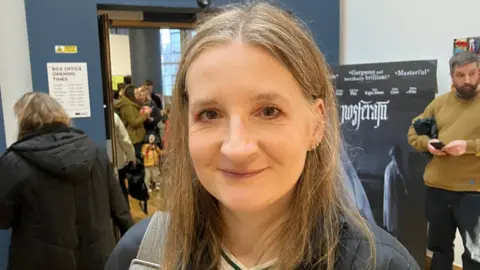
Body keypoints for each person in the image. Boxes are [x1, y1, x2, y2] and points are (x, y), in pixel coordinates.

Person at [106, 2, 418, 270]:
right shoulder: (139, 256)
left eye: (269, 111)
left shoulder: (379, 263)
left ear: (317, 123)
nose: (237, 147)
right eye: (210, 114)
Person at [0, 92, 134, 270]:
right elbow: (120, 210)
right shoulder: (96, 153)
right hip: (97, 260)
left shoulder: (14, 162)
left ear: (23, 120)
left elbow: (3, 219)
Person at [408, 51, 480, 270]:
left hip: (473, 193)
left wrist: (468, 147)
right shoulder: (439, 104)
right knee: (439, 250)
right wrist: (426, 144)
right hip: (437, 190)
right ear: (452, 76)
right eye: (461, 75)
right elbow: (413, 131)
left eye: (472, 73)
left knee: (475, 255)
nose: (467, 80)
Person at [116, 85, 152, 157]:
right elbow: (133, 123)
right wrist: (145, 115)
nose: (138, 95)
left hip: (138, 137)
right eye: (135, 93)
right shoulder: (127, 106)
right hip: (134, 139)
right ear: (130, 95)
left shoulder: (133, 104)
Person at [383, 145, 408, 238]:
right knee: (393, 221)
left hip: (396, 200)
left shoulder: (394, 168)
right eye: (396, 155)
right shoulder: (391, 169)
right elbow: (391, 189)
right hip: (393, 200)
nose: (398, 158)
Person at [114, 111, 136, 205]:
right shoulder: (114, 117)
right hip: (117, 162)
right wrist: (132, 157)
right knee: (121, 189)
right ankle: (124, 216)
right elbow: (125, 140)